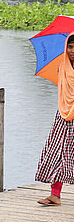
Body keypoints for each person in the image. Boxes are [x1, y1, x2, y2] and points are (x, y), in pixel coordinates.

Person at [35, 33, 74, 205]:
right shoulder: (62, 67)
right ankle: (55, 194)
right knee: (56, 151)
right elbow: (64, 92)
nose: (72, 50)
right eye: (70, 46)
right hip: (64, 114)